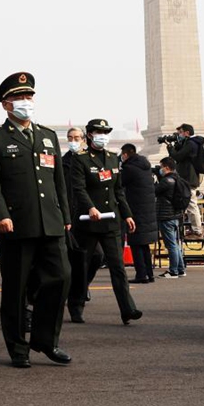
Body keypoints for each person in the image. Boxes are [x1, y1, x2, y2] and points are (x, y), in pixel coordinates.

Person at [0, 72, 71, 369]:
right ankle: (18, 347)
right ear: (6, 105)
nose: (26, 103)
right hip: (16, 224)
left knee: (61, 277)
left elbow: (58, 181)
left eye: (29, 97)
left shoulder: (47, 135)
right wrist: (0, 215)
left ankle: (45, 340)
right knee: (15, 289)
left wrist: (66, 217)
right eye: (20, 98)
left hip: (51, 222)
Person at [70, 119, 142, 325]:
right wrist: (90, 207)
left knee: (118, 267)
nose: (103, 135)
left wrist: (127, 214)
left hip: (111, 221)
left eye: (105, 131)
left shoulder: (112, 158)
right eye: (98, 132)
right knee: (82, 266)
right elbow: (78, 188)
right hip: (88, 222)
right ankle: (76, 304)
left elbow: (118, 190)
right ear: (90, 135)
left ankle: (127, 309)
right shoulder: (80, 159)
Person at [119, 144, 157, 284]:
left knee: (136, 244)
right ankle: (149, 274)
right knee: (144, 244)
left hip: (136, 210)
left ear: (126, 154)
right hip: (147, 211)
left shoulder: (129, 169)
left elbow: (119, 183)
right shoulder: (145, 167)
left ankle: (141, 275)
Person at [166, 123, 204, 238]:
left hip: (189, 178)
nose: (179, 135)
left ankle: (197, 230)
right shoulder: (189, 143)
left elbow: (177, 157)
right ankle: (193, 229)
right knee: (188, 203)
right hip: (187, 177)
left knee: (192, 204)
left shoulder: (191, 144)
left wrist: (170, 147)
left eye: (180, 133)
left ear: (187, 133)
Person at [155, 158, 185, 278]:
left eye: (161, 167)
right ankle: (180, 269)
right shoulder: (177, 179)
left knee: (171, 244)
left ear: (166, 167)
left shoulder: (167, 181)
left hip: (166, 216)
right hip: (175, 215)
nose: (160, 169)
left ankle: (173, 271)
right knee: (175, 244)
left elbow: (155, 191)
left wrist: (155, 179)